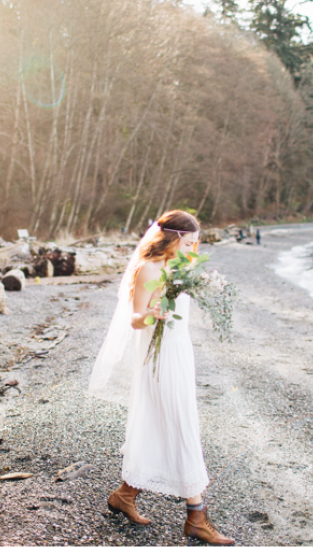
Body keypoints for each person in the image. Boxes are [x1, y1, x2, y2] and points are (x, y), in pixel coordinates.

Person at [89, 210, 235, 545]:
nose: (193, 248)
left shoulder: (180, 267)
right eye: (188, 241)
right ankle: (196, 516)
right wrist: (151, 315)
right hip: (157, 358)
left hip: (180, 353)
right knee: (181, 425)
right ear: (171, 237)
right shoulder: (149, 268)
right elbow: (135, 318)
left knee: (160, 424)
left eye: (196, 243)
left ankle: (125, 496)